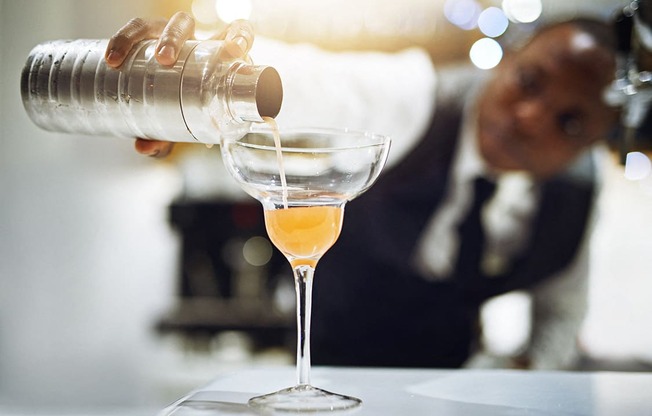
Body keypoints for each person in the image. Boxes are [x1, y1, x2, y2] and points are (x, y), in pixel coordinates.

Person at [106, 12, 618, 369]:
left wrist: (525, 372)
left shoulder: (574, 196)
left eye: (569, 123)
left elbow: (561, 308)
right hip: (329, 368)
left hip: (447, 388)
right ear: (508, 59)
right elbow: (308, 76)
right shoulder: (411, 97)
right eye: (529, 82)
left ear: (594, 142)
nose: (531, 118)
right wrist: (197, 64)